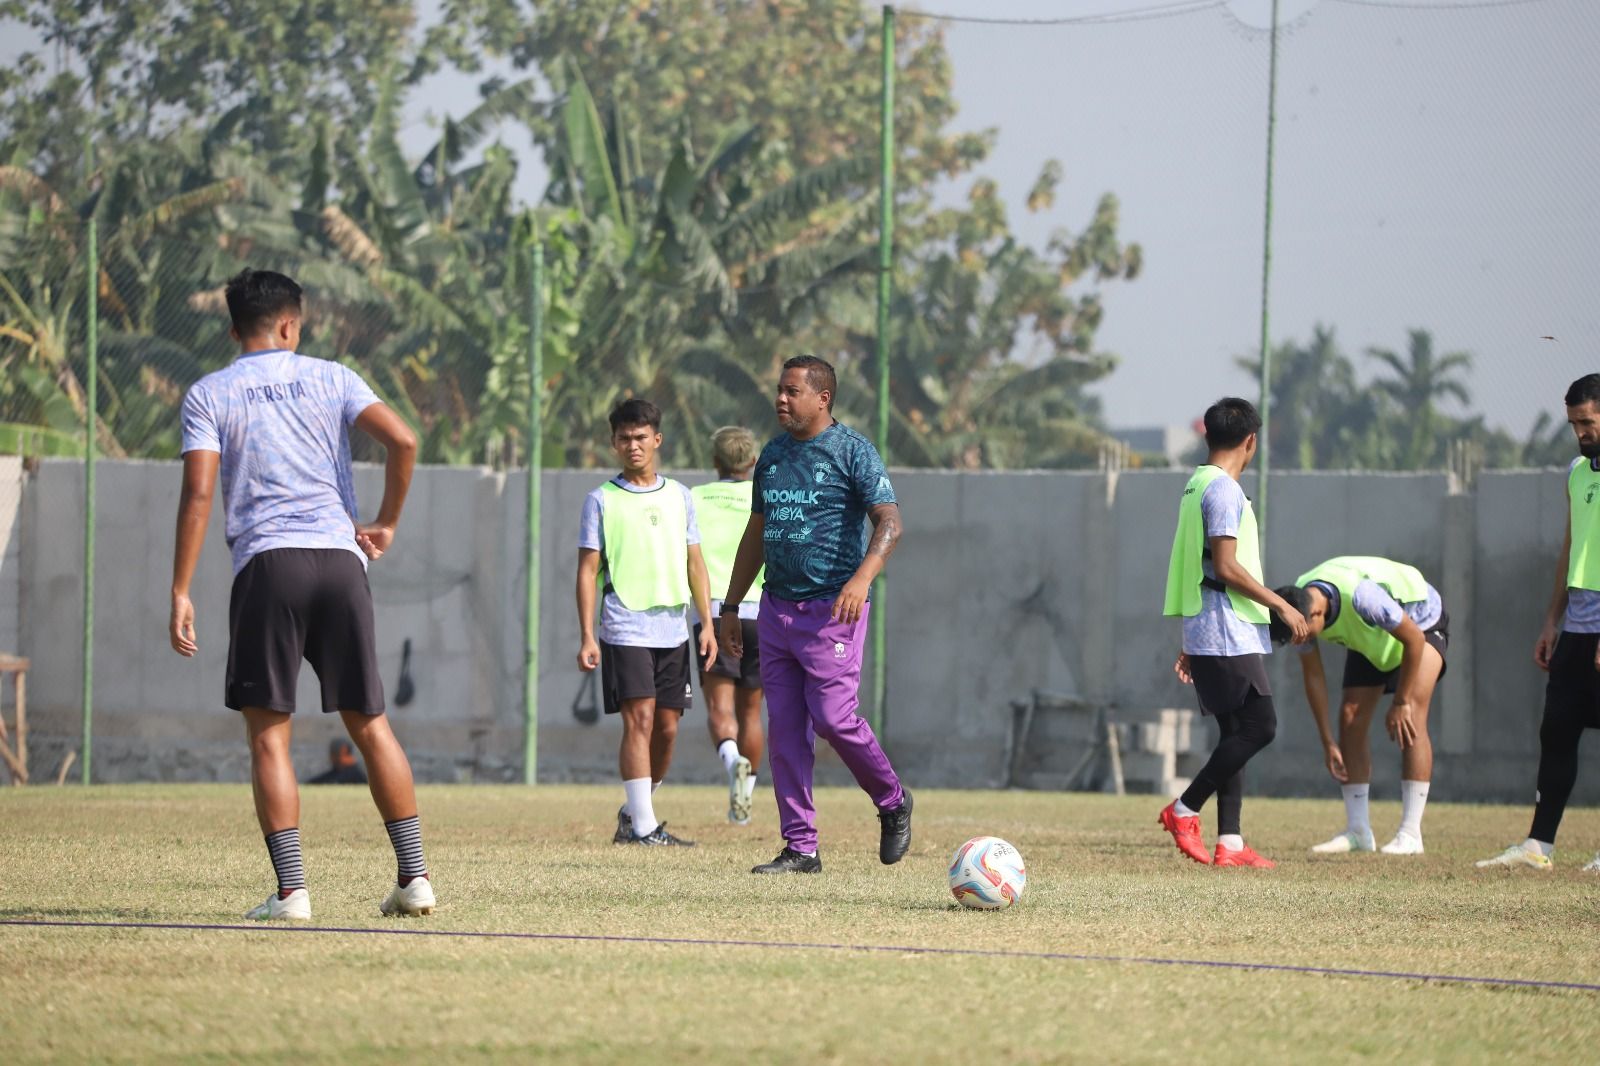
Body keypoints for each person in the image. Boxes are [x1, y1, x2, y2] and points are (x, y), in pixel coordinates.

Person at [169, 268, 434, 921]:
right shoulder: (333, 377)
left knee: (269, 737)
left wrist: (180, 588)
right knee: (370, 724)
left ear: (234, 330)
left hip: (269, 566)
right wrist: (386, 521)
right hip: (341, 561)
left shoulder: (210, 393)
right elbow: (404, 439)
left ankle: (292, 893)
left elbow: (199, 492)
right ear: (291, 324)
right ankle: (416, 879)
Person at [719, 355, 912, 875]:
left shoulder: (852, 451)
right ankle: (801, 847)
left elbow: (890, 523)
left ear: (822, 398)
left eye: (792, 391)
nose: (780, 399)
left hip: (832, 611)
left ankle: (893, 800)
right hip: (776, 609)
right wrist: (732, 606)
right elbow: (756, 533)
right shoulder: (773, 455)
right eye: (779, 390)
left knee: (833, 718)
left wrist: (861, 579)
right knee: (785, 732)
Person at [1160, 397, 1309, 869]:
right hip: (1226, 628)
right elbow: (1225, 567)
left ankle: (1231, 842)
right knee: (1260, 727)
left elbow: (1198, 564)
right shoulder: (1224, 490)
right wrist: (1281, 603)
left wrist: (1192, 638)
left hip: (1209, 627)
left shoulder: (1196, 483)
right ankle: (1184, 809)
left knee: (1234, 733)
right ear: (1251, 441)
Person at [576, 398, 716, 847]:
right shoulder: (601, 500)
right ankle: (643, 829)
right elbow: (587, 572)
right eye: (624, 438)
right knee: (639, 720)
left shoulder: (680, 496)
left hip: (673, 628)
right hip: (624, 625)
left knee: (667, 728)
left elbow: (695, 563)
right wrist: (587, 635)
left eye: (640, 437)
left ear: (657, 439)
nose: (632, 445)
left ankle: (635, 811)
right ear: (613, 443)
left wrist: (708, 623)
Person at [1479, 374, 1600, 872]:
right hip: (1577, 627)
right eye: (1574, 424)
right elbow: (1572, 547)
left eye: (1587, 422)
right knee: (1557, 730)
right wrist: (1552, 619)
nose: (1580, 433)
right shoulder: (1577, 472)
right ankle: (1538, 845)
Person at [1270, 557, 1448, 855]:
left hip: (1420, 623)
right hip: (1373, 635)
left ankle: (1411, 834)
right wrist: (1328, 741)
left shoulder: (1364, 598)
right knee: (1350, 717)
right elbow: (1313, 675)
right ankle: (1358, 831)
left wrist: (1401, 701)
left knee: (1412, 717)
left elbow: (1414, 641)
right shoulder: (1295, 607)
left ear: (1317, 613)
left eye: (1304, 635)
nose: (1302, 641)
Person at [691, 427, 767, 825]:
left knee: (720, 708)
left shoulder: (694, 498)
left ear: (715, 461)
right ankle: (744, 802)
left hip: (717, 613)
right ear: (753, 462)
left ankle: (732, 758)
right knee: (751, 712)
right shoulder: (766, 496)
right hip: (762, 613)